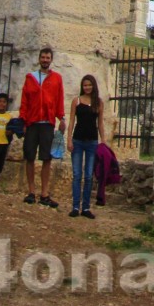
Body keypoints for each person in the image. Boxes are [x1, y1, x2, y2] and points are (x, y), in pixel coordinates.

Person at [19, 46, 65, 208]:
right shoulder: (30, 77)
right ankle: (31, 191)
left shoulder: (57, 78)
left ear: (51, 60)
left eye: (48, 58)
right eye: (43, 57)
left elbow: (59, 99)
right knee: (29, 157)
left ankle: (44, 193)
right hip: (32, 122)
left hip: (47, 123)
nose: (45, 60)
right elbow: (25, 101)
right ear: (39, 59)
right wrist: (22, 120)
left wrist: (62, 118)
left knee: (46, 158)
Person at [67, 74, 105, 219]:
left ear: (93, 86)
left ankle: (86, 207)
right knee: (77, 175)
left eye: (89, 85)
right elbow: (71, 122)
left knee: (89, 175)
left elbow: (100, 123)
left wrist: (104, 141)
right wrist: (69, 140)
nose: (87, 87)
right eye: (85, 85)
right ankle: (75, 206)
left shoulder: (99, 103)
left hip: (92, 142)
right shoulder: (76, 101)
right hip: (77, 140)